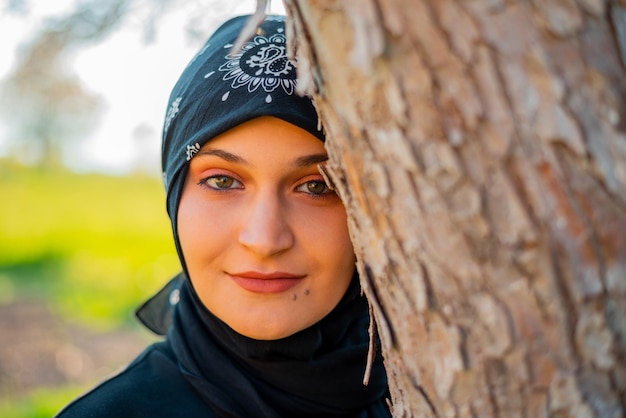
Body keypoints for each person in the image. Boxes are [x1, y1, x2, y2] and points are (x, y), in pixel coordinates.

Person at [56, 14, 390, 417]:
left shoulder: (444, 393)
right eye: (223, 182)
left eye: (317, 186)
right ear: (175, 195)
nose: (265, 239)